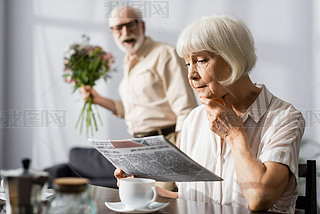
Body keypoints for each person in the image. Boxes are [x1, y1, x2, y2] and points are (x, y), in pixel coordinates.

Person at [115, 15, 305, 213]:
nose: (191, 75)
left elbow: (259, 198)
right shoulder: (194, 120)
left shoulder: (285, 118)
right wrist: (144, 186)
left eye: (201, 61)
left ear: (233, 58)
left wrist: (234, 134)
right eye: (188, 64)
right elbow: (192, 198)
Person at [82, 6, 197, 191]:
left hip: (166, 144)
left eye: (130, 25)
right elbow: (133, 110)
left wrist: (181, 158)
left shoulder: (164, 54)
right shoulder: (129, 62)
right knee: (137, 205)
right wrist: (98, 99)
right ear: (112, 33)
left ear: (142, 26)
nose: (126, 32)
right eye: (119, 28)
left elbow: (186, 109)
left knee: (164, 203)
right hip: (136, 147)